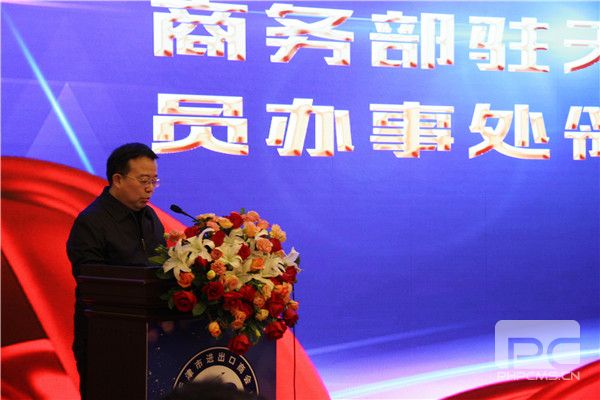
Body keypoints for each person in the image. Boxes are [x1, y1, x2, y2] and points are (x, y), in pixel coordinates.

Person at [67, 143, 166, 399]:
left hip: (151, 336)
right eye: (143, 180)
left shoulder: (151, 218)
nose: (150, 188)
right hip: (106, 338)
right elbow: (90, 282)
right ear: (118, 179)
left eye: (154, 181)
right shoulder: (91, 221)